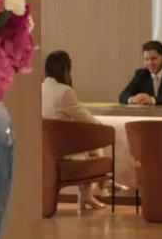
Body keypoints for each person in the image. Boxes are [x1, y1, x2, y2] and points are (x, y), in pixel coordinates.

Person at [42, 50, 127, 211]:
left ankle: (97, 188)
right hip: (61, 151)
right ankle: (96, 188)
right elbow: (87, 119)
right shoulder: (64, 92)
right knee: (93, 141)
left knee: (89, 145)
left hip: (43, 150)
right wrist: (102, 126)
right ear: (66, 69)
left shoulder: (38, 89)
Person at [119, 40, 162, 105]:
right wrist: (132, 99)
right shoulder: (141, 74)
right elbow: (123, 95)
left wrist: (152, 100)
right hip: (146, 113)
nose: (150, 63)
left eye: (153, 59)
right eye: (146, 59)